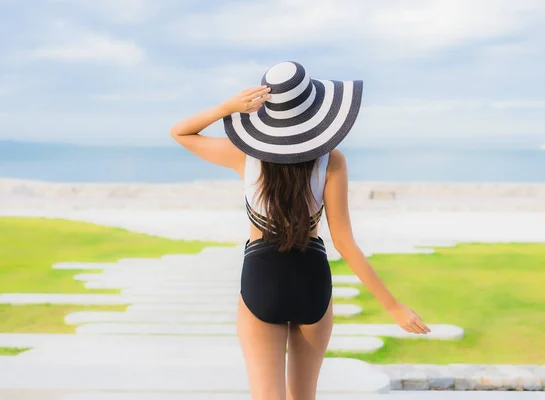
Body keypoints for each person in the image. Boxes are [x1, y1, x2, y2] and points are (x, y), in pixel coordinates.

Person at [170, 61, 430, 400]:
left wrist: (226, 108)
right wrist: (393, 307)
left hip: (262, 280)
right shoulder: (331, 160)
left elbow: (181, 132)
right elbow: (344, 241)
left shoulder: (242, 155)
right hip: (312, 280)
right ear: (317, 112)